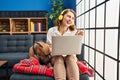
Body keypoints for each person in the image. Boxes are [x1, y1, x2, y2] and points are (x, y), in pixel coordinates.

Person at [47, 9, 83, 80]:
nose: (70, 19)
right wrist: (55, 51)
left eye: (73, 18)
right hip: (56, 57)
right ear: (61, 16)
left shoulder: (74, 32)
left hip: (70, 57)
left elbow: (76, 49)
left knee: (70, 58)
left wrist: (78, 37)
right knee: (59, 58)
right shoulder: (51, 30)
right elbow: (48, 46)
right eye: (69, 16)